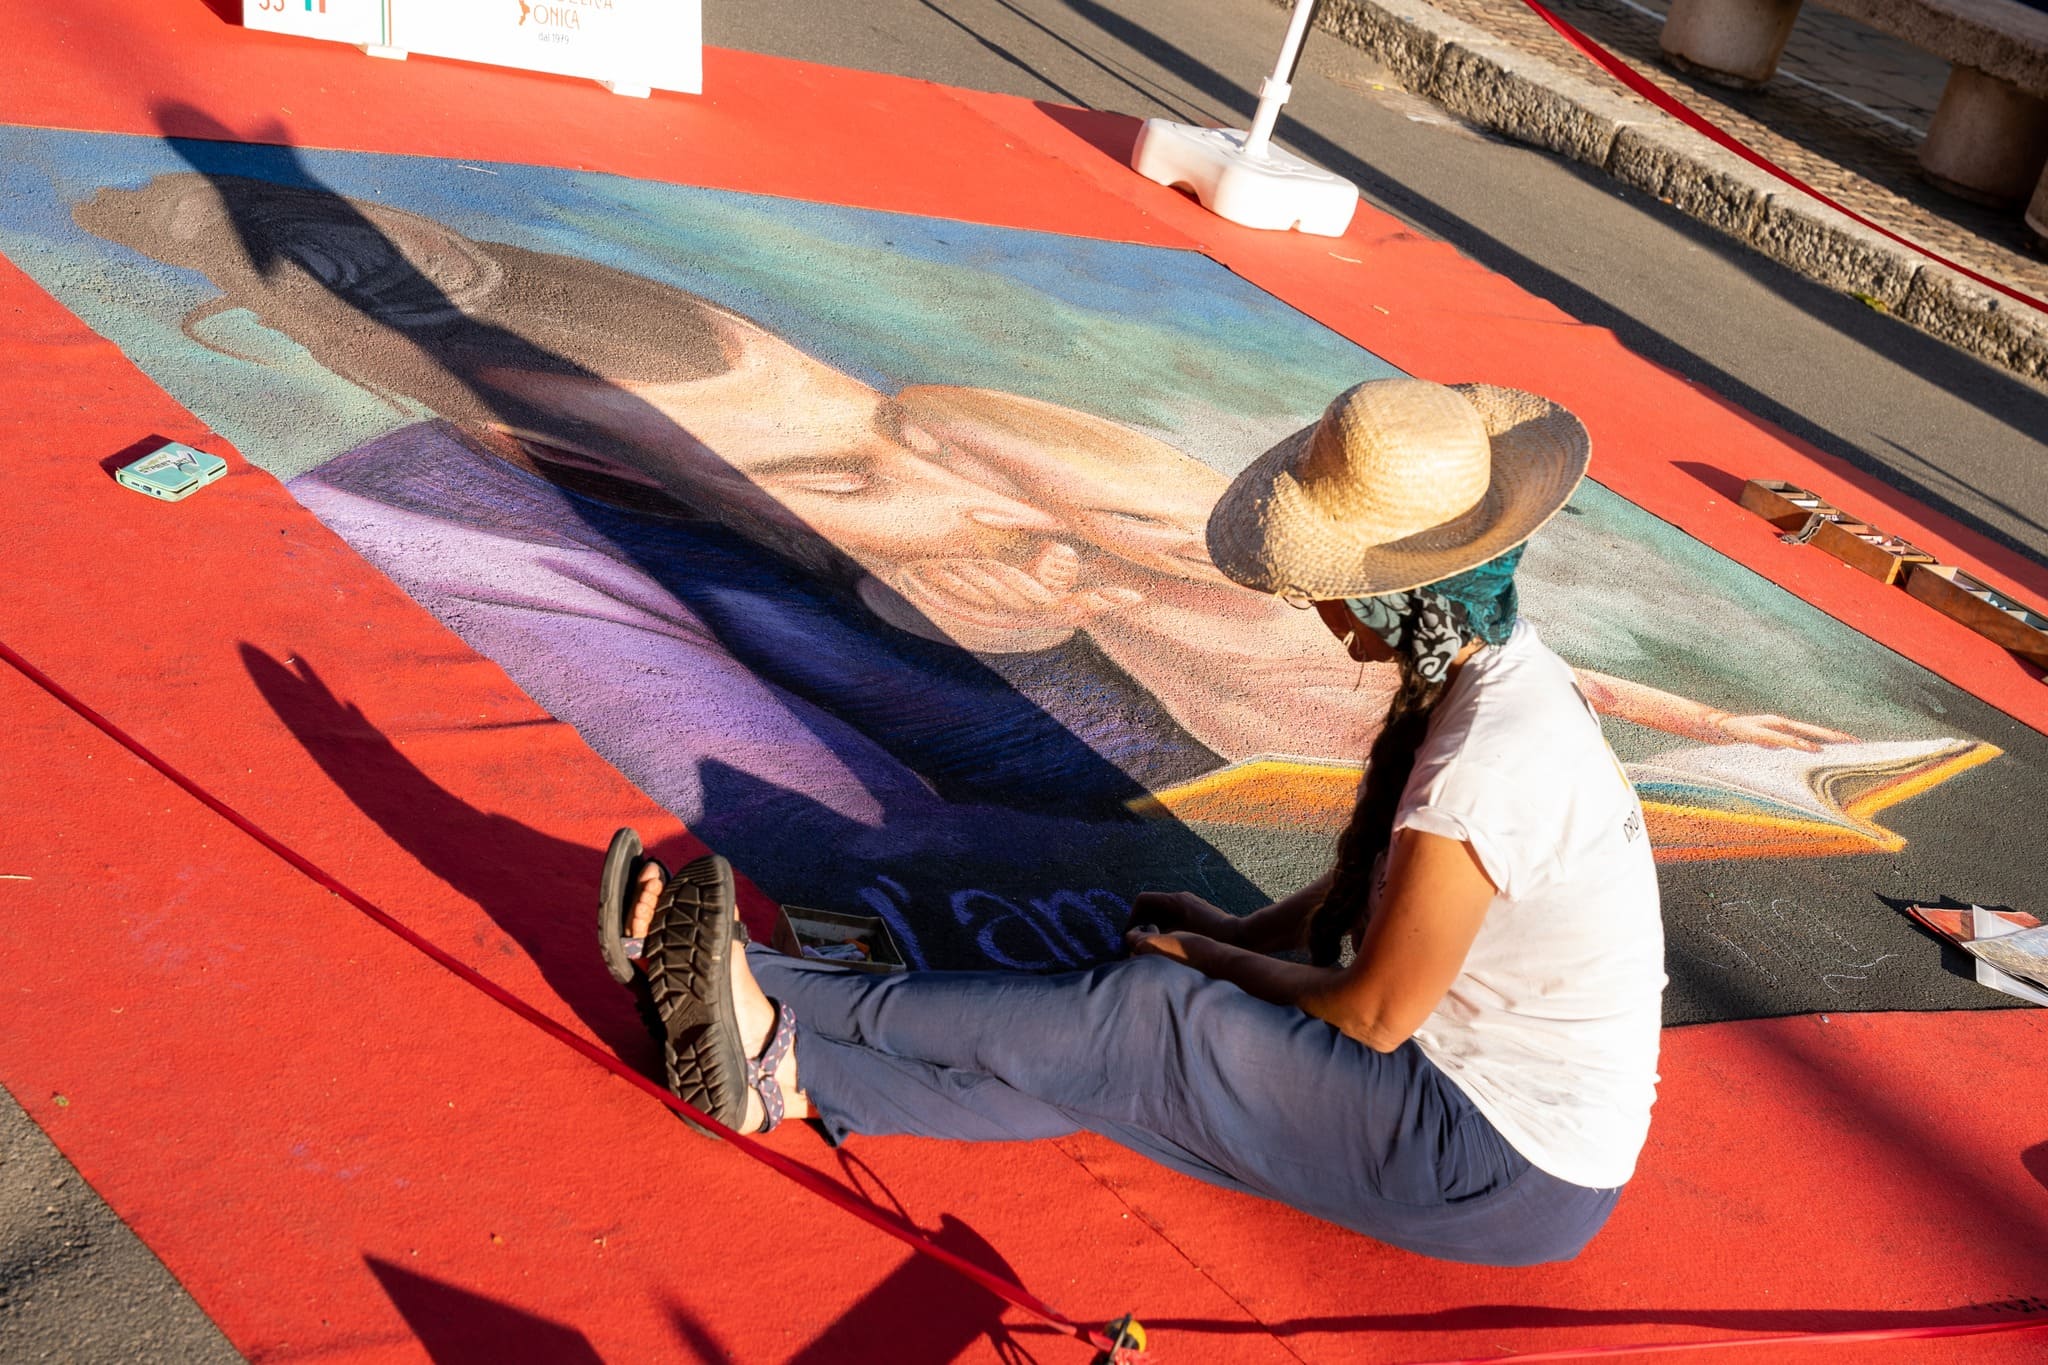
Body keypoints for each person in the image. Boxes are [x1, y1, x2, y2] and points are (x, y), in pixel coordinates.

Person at [608, 377, 1665, 1264]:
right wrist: (1241, 934)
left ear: (1404, 599)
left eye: (1333, 590)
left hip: (1489, 1162)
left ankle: (763, 989)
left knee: (1152, 1016)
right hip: (1490, 1138)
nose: (1321, 611)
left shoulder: (1488, 755)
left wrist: (1211, 962)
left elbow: (1373, 1013)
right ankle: (785, 1075)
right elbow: (1392, 884)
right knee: (1111, 1068)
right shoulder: (1501, 684)